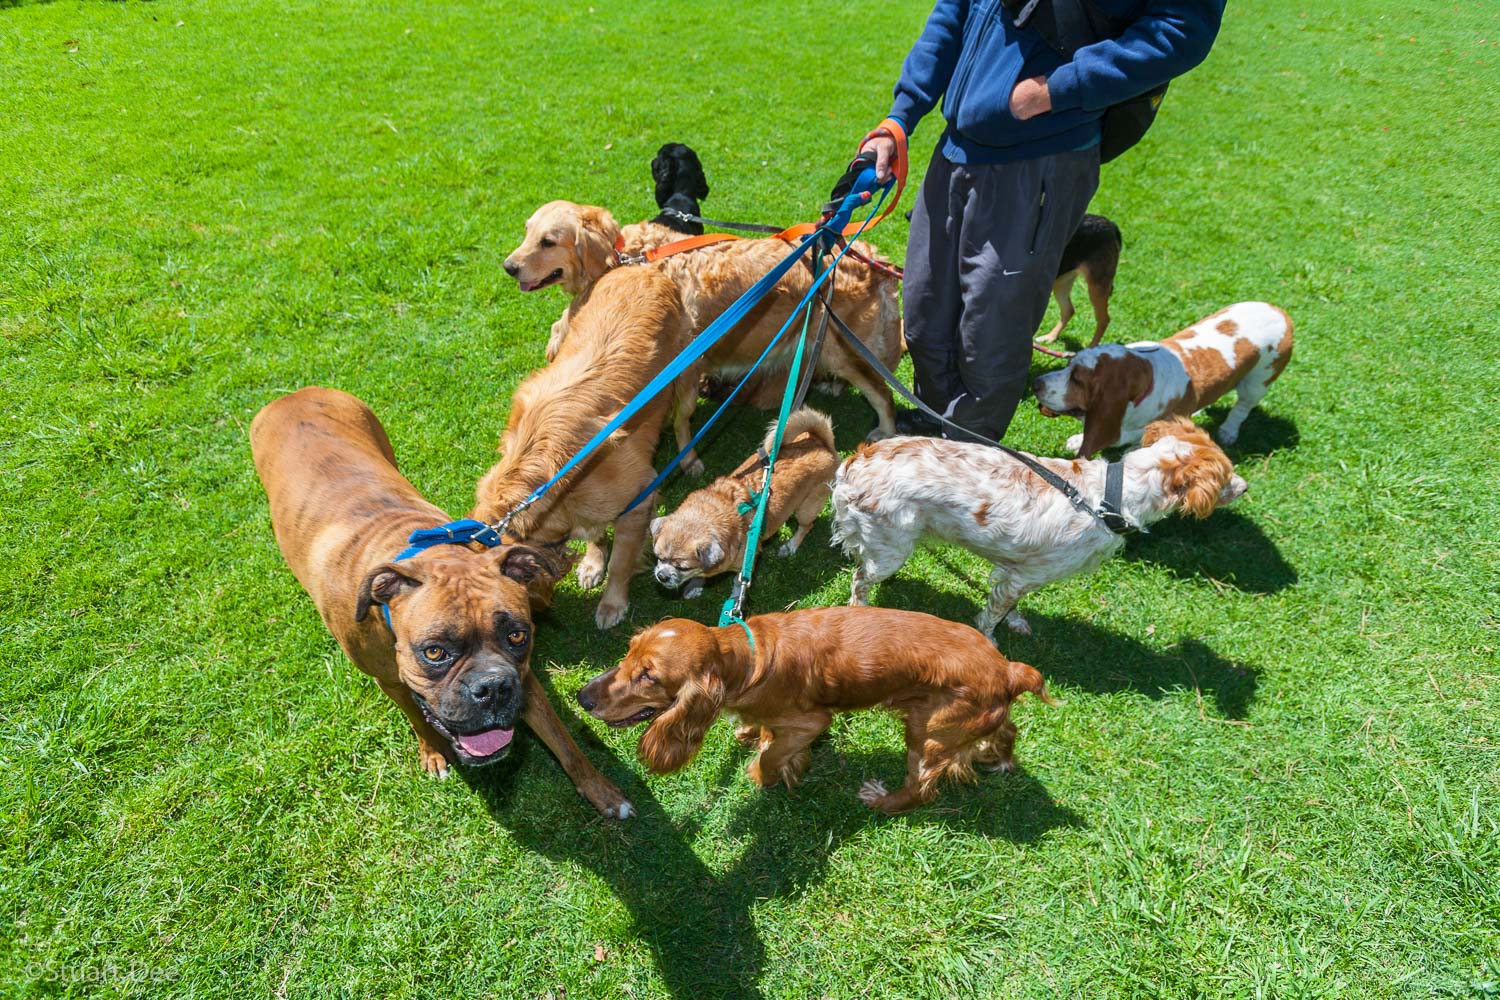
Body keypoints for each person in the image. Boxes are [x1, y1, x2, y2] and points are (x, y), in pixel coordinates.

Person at [859, 0, 1225, 441]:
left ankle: (964, 451)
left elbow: (1179, 30)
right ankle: (934, 423)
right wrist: (901, 115)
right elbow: (956, 9)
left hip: (1041, 157)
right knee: (926, 313)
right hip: (956, 148)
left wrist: (1053, 90)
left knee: (990, 333)